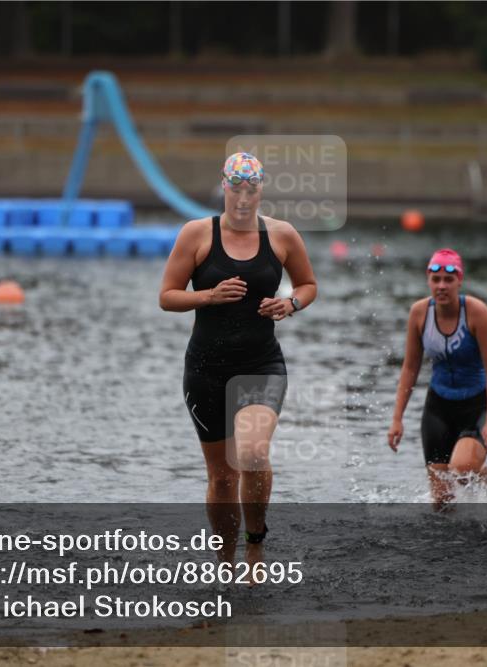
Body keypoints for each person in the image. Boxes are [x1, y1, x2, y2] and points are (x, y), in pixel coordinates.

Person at [160, 152, 317, 567]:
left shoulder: (282, 235)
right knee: (223, 476)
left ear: (261, 189)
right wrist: (208, 296)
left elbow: (308, 283)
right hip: (205, 369)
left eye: (252, 189)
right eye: (236, 188)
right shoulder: (196, 235)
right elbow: (167, 296)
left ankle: (255, 544)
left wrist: (292, 304)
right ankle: (225, 557)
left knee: (251, 455)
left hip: (261, 364)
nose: (244, 198)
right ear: (224, 187)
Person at [387, 248, 487, 510]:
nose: (441, 286)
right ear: (428, 280)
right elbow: (410, 367)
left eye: (448, 280)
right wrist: (397, 419)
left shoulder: (477, 313)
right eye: (435, 279)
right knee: (441, 502)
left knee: (461, 469)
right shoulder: (419, 313)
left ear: (459, 281)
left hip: (476, 406)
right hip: (438, 407)